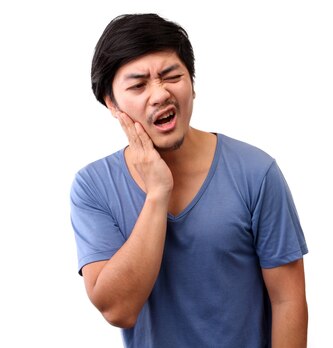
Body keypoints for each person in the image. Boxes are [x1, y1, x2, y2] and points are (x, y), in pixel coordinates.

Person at [70, 13, 308, 347]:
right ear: (111, 102)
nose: (160, 94)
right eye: (138, 85)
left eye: (171, 76)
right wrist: (157, 193)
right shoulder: (93, 186)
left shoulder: (257, 172)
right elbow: (119, 309)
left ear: (192, 84)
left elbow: (288, 301)